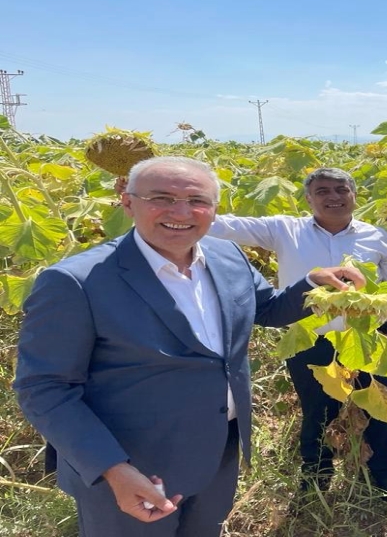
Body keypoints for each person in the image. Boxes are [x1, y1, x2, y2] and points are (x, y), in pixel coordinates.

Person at [13, 156, 365, 537]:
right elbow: (45, 388)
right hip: (132, 463)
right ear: (128, 203)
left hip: (218, 449)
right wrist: (113, 468)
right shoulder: (75, 281)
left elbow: (265, 308)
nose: (180, 212)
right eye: (161, 198)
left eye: (197, 200)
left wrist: (312, 283)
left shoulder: (227, 256)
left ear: (213, 209)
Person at [209, 167, 387, 498]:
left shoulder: (378, 237)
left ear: (353, 194)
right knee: (317, 410)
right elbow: (223, 226)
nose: (333, 197)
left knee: (380, 408)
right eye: (323, 191)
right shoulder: (284, 229)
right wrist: (163, 204)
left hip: (369, 336)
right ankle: (316, 475)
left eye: (341, 190)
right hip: (310, 339)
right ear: (309, 198)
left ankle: (385, 475)